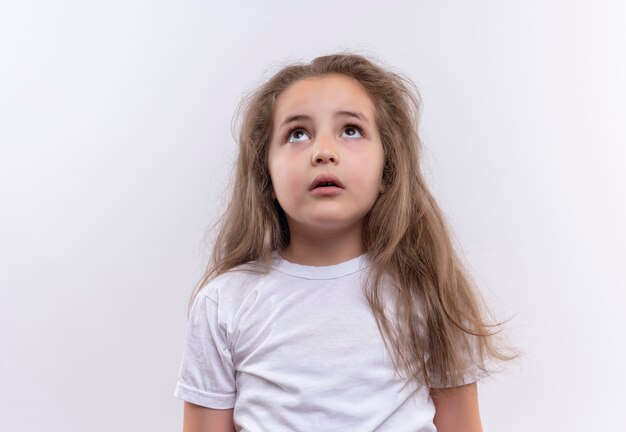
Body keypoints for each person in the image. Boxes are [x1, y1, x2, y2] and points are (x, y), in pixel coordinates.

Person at [174, 53, 513, 432]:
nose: (324, 152)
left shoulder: (428, 293)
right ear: (265, 175)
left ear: (388, 170)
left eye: (351, 130)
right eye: (297, 133)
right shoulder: (224, 304)